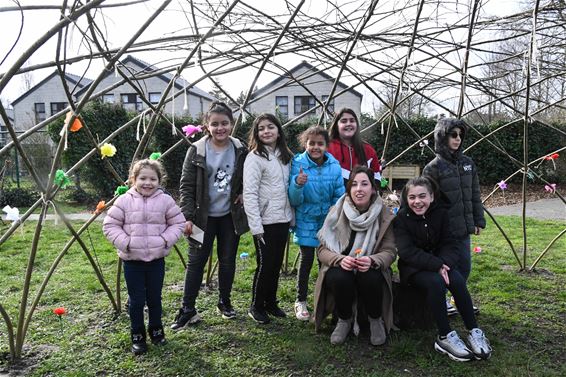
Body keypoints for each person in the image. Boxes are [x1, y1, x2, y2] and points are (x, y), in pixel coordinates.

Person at [394, 177, 492, 361]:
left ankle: (474, 330)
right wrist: (437, 265)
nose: (417, 202)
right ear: (406, 199)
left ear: (431, 196)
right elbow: (407, 252)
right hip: (414, 268)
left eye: (422, 196)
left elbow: (450, 242)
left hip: (442, 263)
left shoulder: (441, 213)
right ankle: (445, 336)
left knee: (457, 280)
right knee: (435, 283)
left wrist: (444, 263)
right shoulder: (401, 218)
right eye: (412, 197)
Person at [171, 101, 248, 331]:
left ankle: (224, 302)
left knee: (227, 261)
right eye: (215, 124)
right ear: (206, 125)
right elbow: (186, 186)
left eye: (224, 123)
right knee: (196, 262)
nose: (220, 128)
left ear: (232, 124)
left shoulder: (240, 149)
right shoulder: (196, 150)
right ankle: (187, 309)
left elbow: (248, 175)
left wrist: (244, 191)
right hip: (200, 217)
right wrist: (187, 216)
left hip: (229, 216)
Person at [103, 159, 185, 355]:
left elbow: (178, 223)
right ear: (133, 179)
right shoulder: (124, 201)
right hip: (133, 262)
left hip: (156, 261)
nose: (147, 183)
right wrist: (127, 243)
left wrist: (165, 240)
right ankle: (137, 335)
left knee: (155, 298)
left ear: (159, 180)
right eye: (143, 178)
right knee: (137, 300)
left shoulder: (165, 201)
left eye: (153, 179)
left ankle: (156, 331)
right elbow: (109, 225)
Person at [314, 165, 396, 346]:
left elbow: (390, 251)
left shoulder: (384, 214)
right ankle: (344, 320)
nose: (359, 189)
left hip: (369, 269)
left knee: (371, 275)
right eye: (354, 185)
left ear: (373, 189)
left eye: (364, 184)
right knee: (337, 275)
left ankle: (376, 320)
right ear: (349, 188)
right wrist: (340, 259)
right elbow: (321, 250)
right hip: (343, 267)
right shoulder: (336, 212)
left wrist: (373, 260)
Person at [423, 118, 485, 315]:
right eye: (453, 135)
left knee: (464, 267)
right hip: (445, 230)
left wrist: (478, 220)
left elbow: (474, 193)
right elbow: (429, 203)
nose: (457, 139)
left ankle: (457, 298)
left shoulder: (468, 164)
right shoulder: (433, 168)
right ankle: (443, 301)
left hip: (463, 229)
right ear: (442, 136)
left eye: (460, 135)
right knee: (446, 267)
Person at [288, 126, 344, 321]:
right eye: (312, 143)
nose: (316, 147)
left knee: (325, 262)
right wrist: (298, 184)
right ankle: (300, 300)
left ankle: (324, 300)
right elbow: (294, 200)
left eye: (320, 144)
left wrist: (335, 208)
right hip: (306, 218)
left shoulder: (334, 166)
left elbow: (340, 193)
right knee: (306, 260)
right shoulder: (298, 163)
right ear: (306, 144)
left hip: (326, 221)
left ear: (326, 146)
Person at [243, 113, 294, 324]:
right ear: (256, 133)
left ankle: (271, 302)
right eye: (261, 128)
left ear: (278, 130)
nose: (266, 131)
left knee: (276, 264)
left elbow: (288, 187)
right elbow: (250, 193)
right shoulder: (255, 157)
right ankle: (256, 305)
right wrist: (256, 225)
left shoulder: (285, 156)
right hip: (264, 221)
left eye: (270, 127)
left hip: (281, 218)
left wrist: (291, 216)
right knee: (265, 265)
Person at [327, 108, 382, 185]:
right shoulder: (327, 148)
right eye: (344, 121)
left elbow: (376, 178)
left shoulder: (368, 150)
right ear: (336, 125)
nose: (348, 124)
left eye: (352, 121)